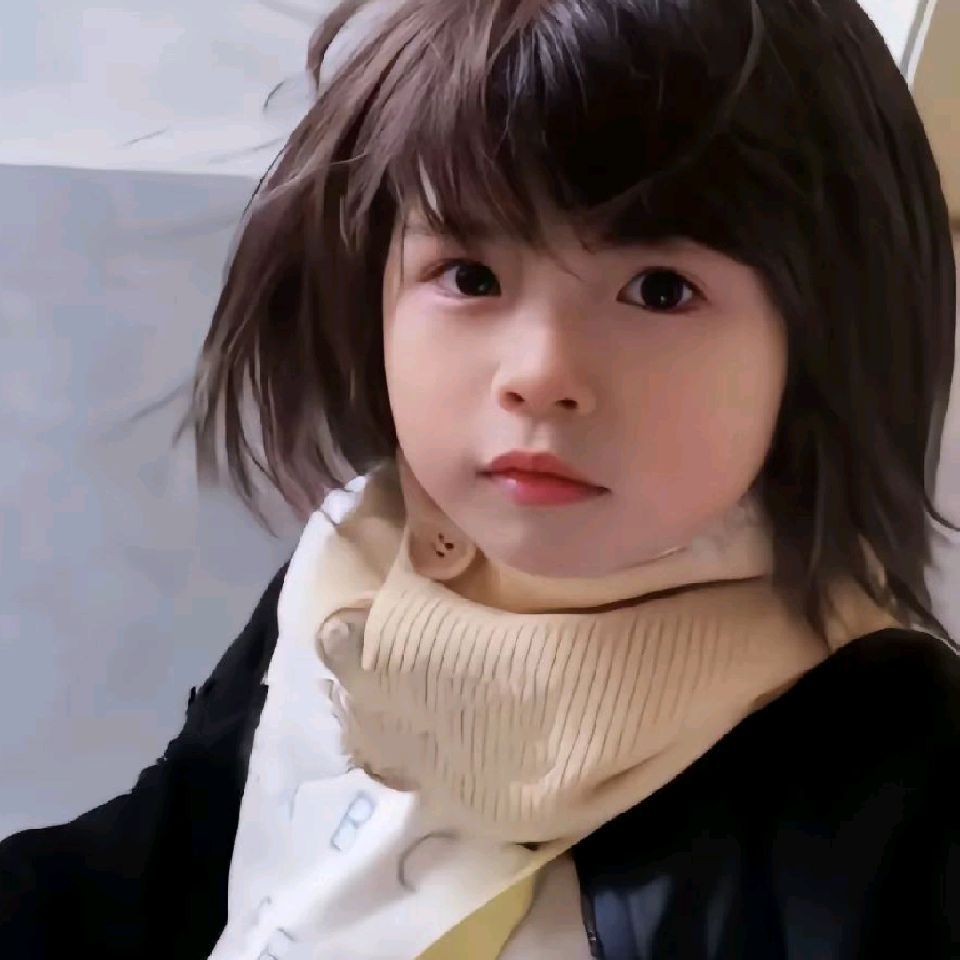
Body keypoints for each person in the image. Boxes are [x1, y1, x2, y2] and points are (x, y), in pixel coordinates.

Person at [2, 0, 959, 956]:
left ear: (830, 334)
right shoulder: (353, 563)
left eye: (660, 289)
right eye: (468, 276)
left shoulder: (893, 766)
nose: (539, 373)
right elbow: (164, 866)